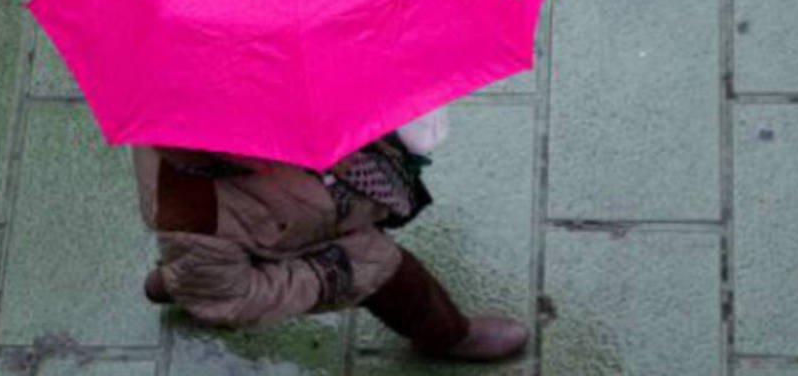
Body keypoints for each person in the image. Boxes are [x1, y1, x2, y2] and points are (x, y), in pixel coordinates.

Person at [131, 106, 529, 361]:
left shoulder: (267, 104)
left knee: (202, 269)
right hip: (292, 239)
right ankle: (446, 335)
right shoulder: (192, 213)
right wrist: (331, 272)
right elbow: (236, 298)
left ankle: (178, 281)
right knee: (391, 274)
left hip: (298, 210)